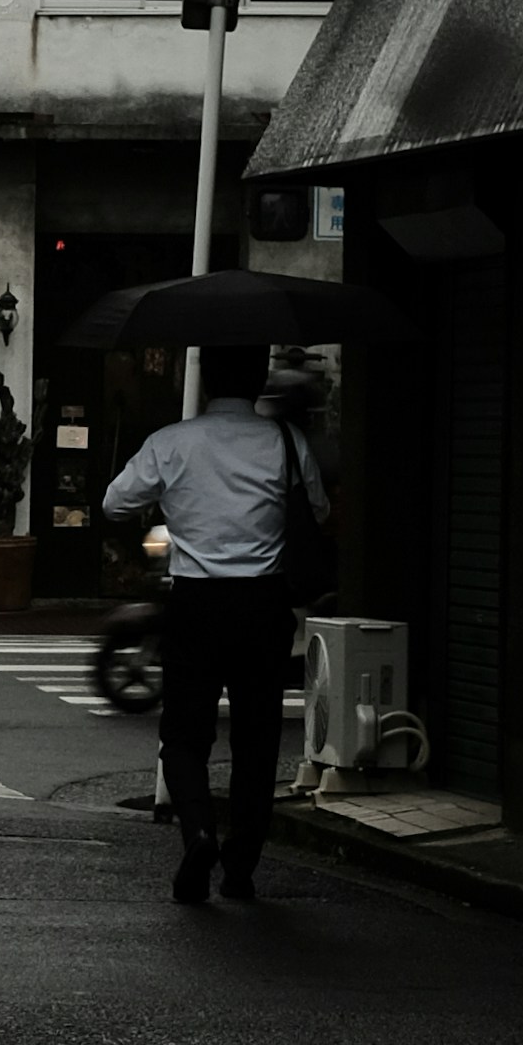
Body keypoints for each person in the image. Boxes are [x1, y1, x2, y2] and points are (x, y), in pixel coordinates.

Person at [96, 348, 330, 907]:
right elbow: (317, 510)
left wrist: (177, 503)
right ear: (255, 386)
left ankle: (197, 830)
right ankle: (241, 868)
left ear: (205, 386)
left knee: (183, 736)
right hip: (262, 606)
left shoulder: (172, 442)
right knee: (256, 740)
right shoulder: (286, 442)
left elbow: (113, 504)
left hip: (195, 605)